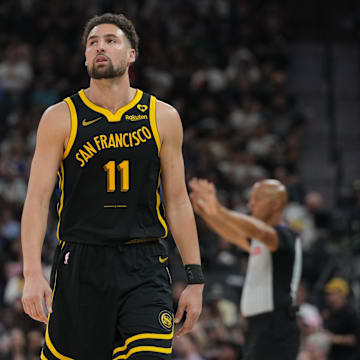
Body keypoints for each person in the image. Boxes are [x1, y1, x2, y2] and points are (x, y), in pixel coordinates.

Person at [21, 13, 204, 360]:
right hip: (82, 260)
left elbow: (178, 202)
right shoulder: (61, 117)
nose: (100, 47)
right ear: (86, 58)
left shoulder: (162, 116)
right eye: (92, 43)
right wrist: (32, 273)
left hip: (145, 261)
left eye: (110, 40)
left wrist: (194, 278)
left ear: (132, 54)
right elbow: (36, 199)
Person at [189, 178, 302, 360]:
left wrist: (219, 209)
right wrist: (207, 213)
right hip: (258, 327)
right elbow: (233, 235)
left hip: (276, 327)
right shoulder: (262, 241)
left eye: (256, 199)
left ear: (275, 204)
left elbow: (260, 231)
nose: (250, 204)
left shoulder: (285, 237)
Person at [323, 277, 359, 360]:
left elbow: (356, 339)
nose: (327, 296)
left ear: (341, 294)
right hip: (332, 355)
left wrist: (335, 339)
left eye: (331, 293)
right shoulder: (330, 312)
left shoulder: (351, 313)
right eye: (327, 293)